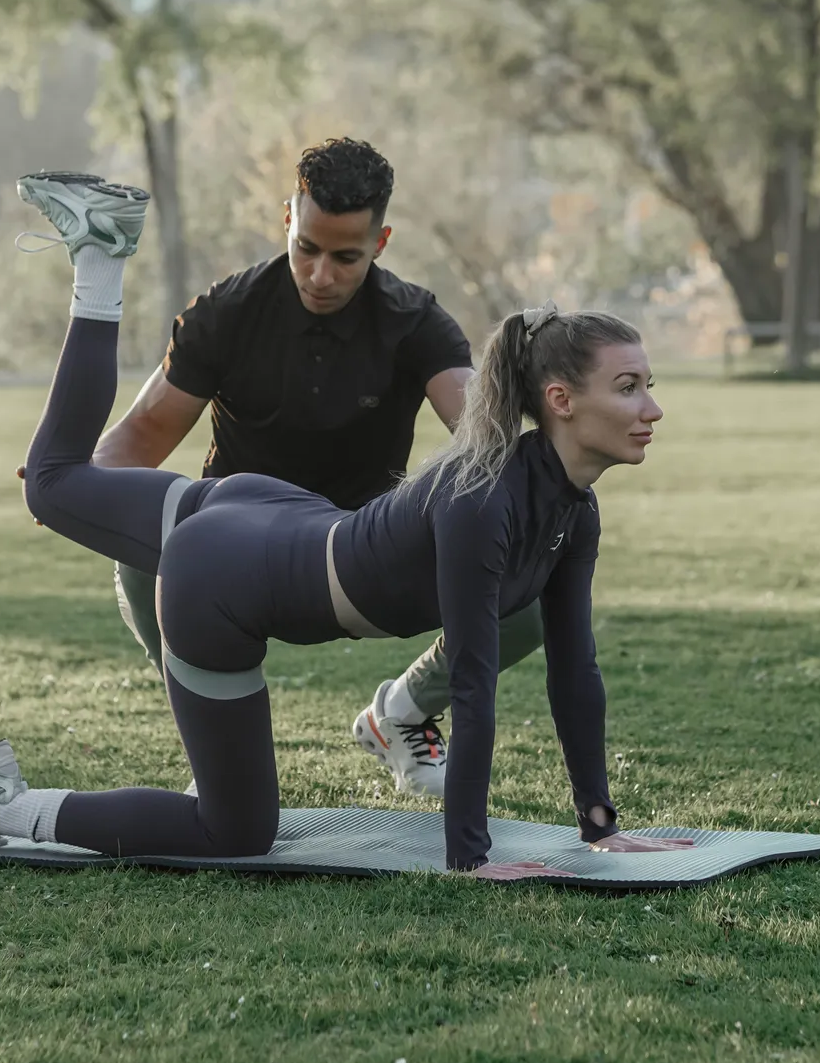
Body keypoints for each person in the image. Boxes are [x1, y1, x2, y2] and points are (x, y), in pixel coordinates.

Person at [0, 171, 692, 875]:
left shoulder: (571, 511)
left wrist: (601, 828)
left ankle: (100, 257)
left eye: (648, 385)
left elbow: (575, 674)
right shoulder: (481, 499)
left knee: (53, 484)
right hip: (223, 579)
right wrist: (471, 858)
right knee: (234, 832)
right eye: (630, 388)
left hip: (265, 512)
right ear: (560, 400)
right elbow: (474, 686)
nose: (652, 408)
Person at [72, 137, 541, 799]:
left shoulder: (415, 321)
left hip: (364, 552)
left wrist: (539, 486)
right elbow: (140, 436)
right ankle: (215, 745)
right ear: (287, 220)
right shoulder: (228, 312)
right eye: (307, 249)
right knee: (143, 555)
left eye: (345, 258)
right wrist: (73, 487)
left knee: (534, 586)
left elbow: (479, 436)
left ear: (379, 244)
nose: (321, 275)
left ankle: (402, 712)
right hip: (238, 547)